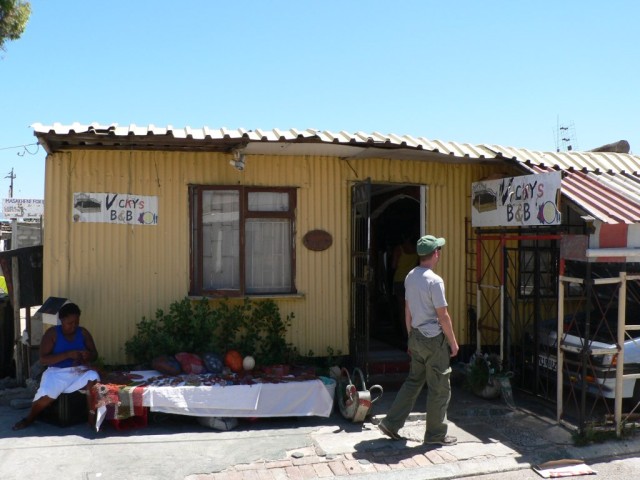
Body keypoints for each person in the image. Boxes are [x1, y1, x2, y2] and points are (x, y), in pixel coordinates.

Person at [378, 234, 460, 446]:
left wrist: (410, 339)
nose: (439, 253)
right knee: (439, 387)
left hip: (415, 336)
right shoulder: (435, 281)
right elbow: (443, 315)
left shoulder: (410, 276)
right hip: (434, 339)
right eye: (438, 250)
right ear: (435, 254)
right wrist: (453, 342)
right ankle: (435, 435)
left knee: (414, 381)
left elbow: (407, 311)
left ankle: (391, 422)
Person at [12, 302, 100, 430]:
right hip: (56, 372)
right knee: (48, 396)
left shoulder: (83, 333)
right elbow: (43, 359)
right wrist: (68, 355)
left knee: (93, 376)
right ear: (61, 320)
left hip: (79, 370)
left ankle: (91, 419)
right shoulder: (52, 334)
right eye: (70, 323)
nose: (74, 326)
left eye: (76, 322)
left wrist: (88, 355)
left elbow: (95, 354)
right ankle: (29, 418)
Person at [391, 233, 418, 342]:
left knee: (402, 310)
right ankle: (413, 334)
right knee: (412, 309)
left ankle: (405, 335)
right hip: (412, 281)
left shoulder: (399, 249)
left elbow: (393, 265)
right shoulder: (417, 251)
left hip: (399, 280)